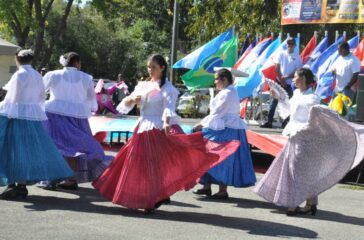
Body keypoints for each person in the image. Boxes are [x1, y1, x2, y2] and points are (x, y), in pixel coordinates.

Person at [93, 54, 239, 213]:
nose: (150, 70)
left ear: (162, 68)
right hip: (143, 127)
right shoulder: (143, 85)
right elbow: (125, 104)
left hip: (156, 129)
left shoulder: (168, 88)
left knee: (152, 164)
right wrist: (132, 100)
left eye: (153, 67)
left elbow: (169, 108)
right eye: (149, 67)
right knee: (140, 163)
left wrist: (167, 122)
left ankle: (153, 197)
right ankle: (157, 194)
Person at [0, 49, 73, 199]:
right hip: (32, 117)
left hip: (17, 115)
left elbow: (11, 98)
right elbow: (41, 97)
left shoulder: (19, 74)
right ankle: (20, 184)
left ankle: (14, 184)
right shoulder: (37, 75)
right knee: (26, 149)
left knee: (12, 149)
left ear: (17, 59)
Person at [255, 68, 326, 216]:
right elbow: (289, 110)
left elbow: (314, 120)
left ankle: (293, 204)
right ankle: (310, 203)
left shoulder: (313, 98)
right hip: (293, 135)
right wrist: (279, 98)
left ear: (304, 79)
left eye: (295, 77)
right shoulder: (297, 94)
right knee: (301, 169)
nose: (293, 80)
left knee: (297, 169)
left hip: (305, 137)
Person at [42, 52, 111, 190]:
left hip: (54, 113)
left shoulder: (53, 74)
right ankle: (71, 178)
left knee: (54, 146)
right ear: (77, 63)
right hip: (77, 116)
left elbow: (39, 92)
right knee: (75, 148)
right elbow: (91, 100)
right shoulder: (86, 78)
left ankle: (52, 177)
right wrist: (83, 105)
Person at [192, 69, 256, 199]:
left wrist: (201, 124)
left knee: (222, 158)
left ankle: (221, 190)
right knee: (211, 154)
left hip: (228, 128)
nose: (214, 81)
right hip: (224, 127)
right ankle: (207, 186)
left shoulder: (228, 93)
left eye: (216, 79)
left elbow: (217, 112)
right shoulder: (227, 91)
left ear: (224, 80)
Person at [261, 37, 303, 128]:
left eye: (292, 43)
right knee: (274, 102)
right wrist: (281, 79)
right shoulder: (281, 54)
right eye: (288, 43)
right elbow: (277, 67)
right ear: (286, 44)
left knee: (290, 103)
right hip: (279, 82)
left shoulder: (297, 57)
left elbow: (298, 71)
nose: (290, 45)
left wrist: (287, 77)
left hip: (291, 83)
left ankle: (286, 122)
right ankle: (269, 121)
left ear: (295, 45)